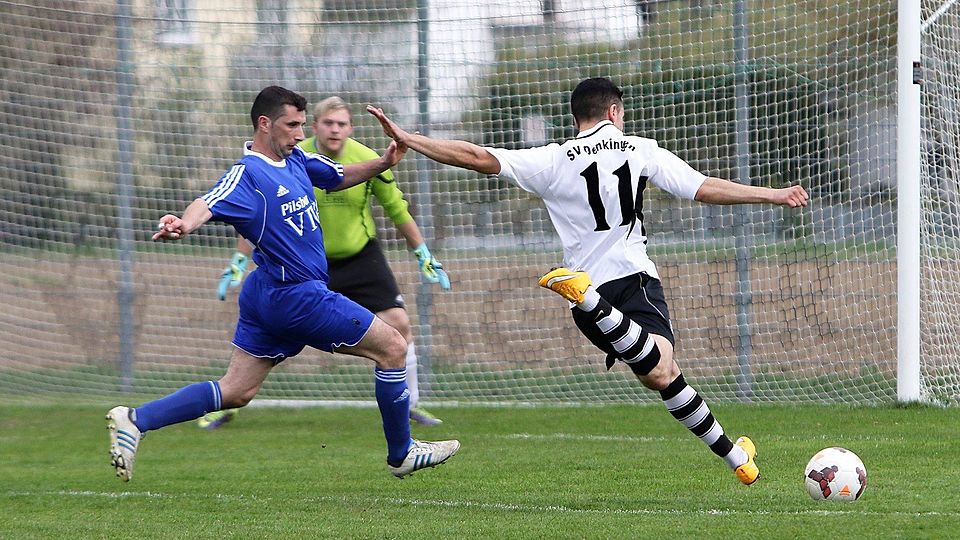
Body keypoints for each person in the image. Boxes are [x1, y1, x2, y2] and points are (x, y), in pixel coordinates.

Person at [367, 77, 810, 485]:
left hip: (586, 290)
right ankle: (591, 302)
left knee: (660, 375)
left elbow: (477, 156)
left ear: (576, 117)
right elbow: (700, 187)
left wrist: (411, 138)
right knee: (661, 364)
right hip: (632, 279)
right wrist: (771, 194)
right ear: (615, 112)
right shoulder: (640, 149)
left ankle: (737, 460)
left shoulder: (554, 158)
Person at [106, 86, 460, 482]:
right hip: (297, 295)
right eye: (292, 125)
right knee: (393, 345)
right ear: (264, 124)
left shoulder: (297, 160)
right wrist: (183, 224)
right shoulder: (248, 174)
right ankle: (402, 453)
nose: (299, 133)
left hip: (268, 294)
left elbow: (340, 176)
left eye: (302, 125)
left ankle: (136, 419)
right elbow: (207, 202)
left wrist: (382, 163)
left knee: (236, 391)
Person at [200, 96, 447, 430]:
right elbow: (260, 216)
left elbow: (395, 207)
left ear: (351, 128)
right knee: (271, 335)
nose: (335, 130)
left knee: (398, 327)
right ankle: (229, 399)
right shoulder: (288, 156)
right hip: (302, 267)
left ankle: (409, 405)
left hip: (359, 257)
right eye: (327, 123)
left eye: (342, 124)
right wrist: (238, 260)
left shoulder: (365, 158)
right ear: (314, 126)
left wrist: (422, 252)